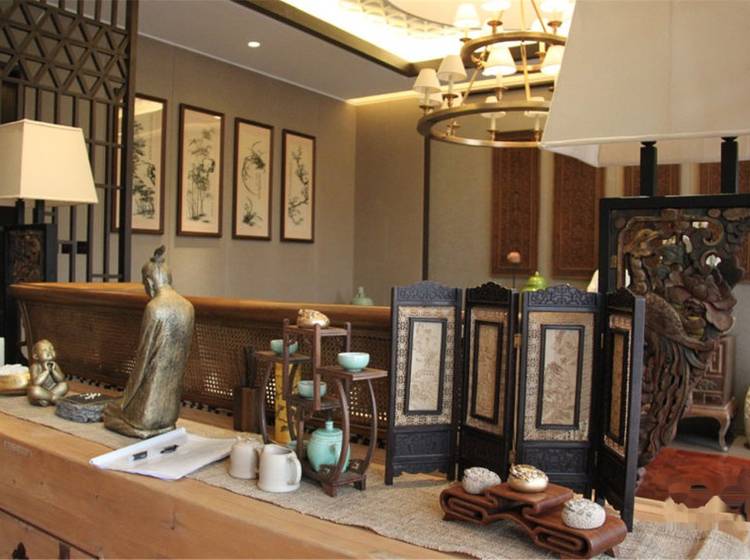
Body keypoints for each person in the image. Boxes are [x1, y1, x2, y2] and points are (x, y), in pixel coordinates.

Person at [103, 246, 195, 438]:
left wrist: (127, 398)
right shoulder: (188, 307)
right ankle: (162, 427)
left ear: (149, 282)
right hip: (171, 411)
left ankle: (142, 431)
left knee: (109, 412)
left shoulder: (154, 308)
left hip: (146, 412)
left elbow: (143, 359)